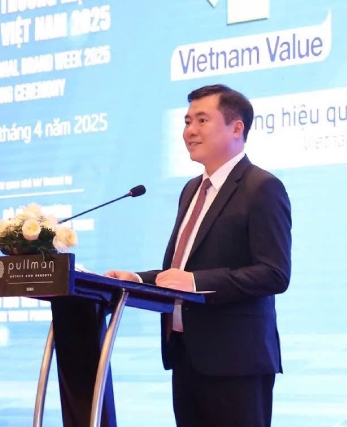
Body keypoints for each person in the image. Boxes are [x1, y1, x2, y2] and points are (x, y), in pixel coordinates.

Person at [105, 84, 292, 427]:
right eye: (187, 121)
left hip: (237, 362)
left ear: (236, 128)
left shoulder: (261, 187)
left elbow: (274, 273)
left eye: (202, 120)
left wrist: (194, 282)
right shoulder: (192, 189)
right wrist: (137, 279)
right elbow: (182, 269)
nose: (189, 130)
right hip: (187, 355)